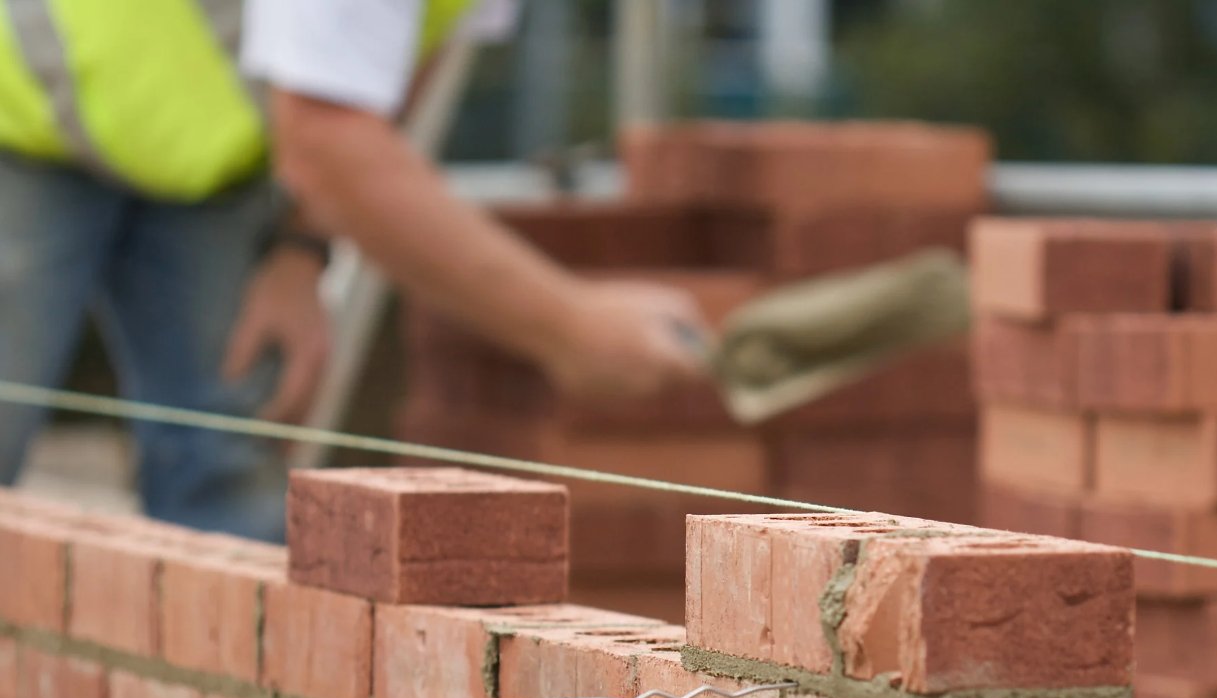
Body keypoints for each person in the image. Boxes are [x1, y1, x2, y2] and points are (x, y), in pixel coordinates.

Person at [0, 0, 709, 542]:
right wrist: (570, 327)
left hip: (209, 161)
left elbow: (386, 68)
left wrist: (299, 253)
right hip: (23, 113)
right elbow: (324, 140)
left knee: (226, 473)